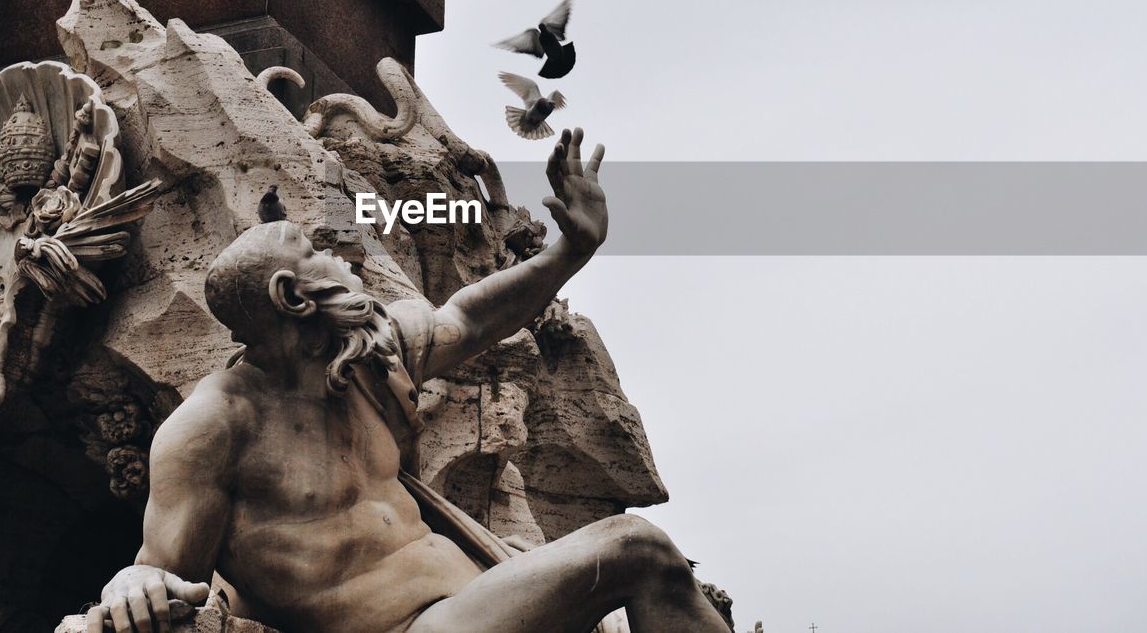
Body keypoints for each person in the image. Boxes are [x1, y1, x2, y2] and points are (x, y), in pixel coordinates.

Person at [87, 129, 730, 633]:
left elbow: (470, 317)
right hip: (412, 628)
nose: (340, 255)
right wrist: (127, 584)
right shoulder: (215, 425)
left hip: (477, 597)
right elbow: (162, 569)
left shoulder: (362, 363)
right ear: (292, 295)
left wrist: (569, 252)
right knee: (635, 548)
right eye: (315, 252)